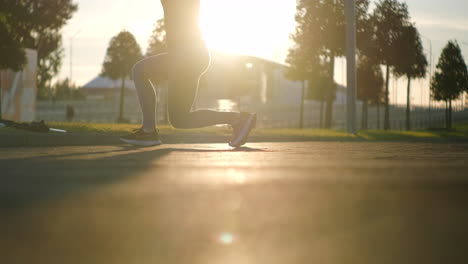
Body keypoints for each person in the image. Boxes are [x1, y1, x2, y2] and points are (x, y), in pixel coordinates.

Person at [120, 0, 256, 147]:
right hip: (190, 56)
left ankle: (148, 132)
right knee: (180, 119)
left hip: (186, 56)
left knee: (140, 70)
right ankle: (238, 119)